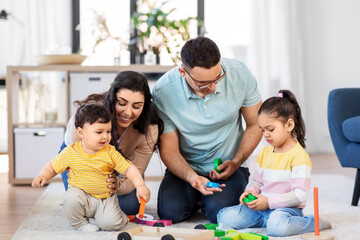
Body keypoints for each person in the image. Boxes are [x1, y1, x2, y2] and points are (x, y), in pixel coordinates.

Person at [152, 36, 263, 223]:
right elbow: (169, 149)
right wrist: (192, 177)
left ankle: (207, 199)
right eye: (203, 84)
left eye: (217, 78)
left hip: (229, 166)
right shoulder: (163, 91)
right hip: (186, 168)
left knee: (218, 214)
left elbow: (255, 124)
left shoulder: (240, 74)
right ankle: (197, 193)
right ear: (182, 72)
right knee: (170, 213)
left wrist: (236, 162)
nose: (212, 87)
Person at [217, 89, 332, 237]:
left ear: (289, 125)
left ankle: (315, 222)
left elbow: (300, 195)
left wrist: (269, 202)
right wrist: (250, 192)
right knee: (223, 216)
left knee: (278, 228)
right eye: (262, 130)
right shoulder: (265, 153)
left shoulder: (299, 156)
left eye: (270, 129)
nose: (266, 135)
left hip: (286, 209)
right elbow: (258, 182)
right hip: (261, 208)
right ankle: (268, 220)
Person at [32, 104, 151, 231]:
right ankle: (80, 224)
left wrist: (140, 186)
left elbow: (129, 169)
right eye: (99, 132)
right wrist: (43, 175)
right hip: (81, 197)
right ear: (81, 132)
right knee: (70, 198)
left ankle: (118, 217)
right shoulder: (70, 152)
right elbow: (53, 167)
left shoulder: (110, 152)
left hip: (105, 199)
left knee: (111, 225)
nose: (105, 136)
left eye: (108, 131)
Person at [60, 71, 163, 215]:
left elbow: (135, 170)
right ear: (112, 98)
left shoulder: (150, 127)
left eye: (136, 106)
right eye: (122, 103)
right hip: (81, 159)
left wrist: (117, 186)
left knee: (128, 207)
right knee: (84, 204)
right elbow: (75, 161)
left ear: (145, 105)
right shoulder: (88, 114)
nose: (128, 112)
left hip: (122, 164)